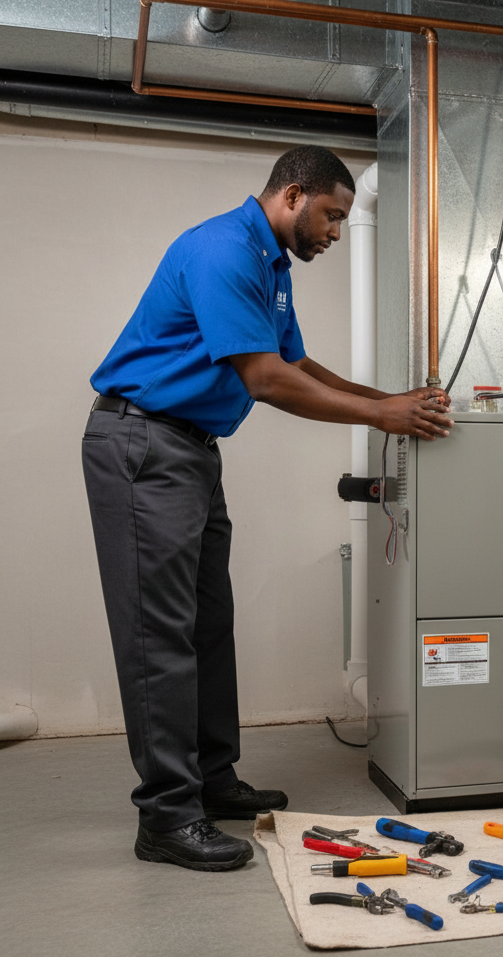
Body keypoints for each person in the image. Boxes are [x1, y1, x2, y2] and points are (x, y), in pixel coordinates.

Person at [82, 145, 453, 872]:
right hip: (141, 444)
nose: (337, 233)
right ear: (292, 196)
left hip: (188, 450)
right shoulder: (223, 249)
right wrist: (384, 421)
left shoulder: (270, 264)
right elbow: (266, 383)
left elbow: (295, 364)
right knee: (160, 636)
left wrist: (388, 400)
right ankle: (165, 816)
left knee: (206, 625)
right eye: (332, 217)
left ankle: (213, 783)